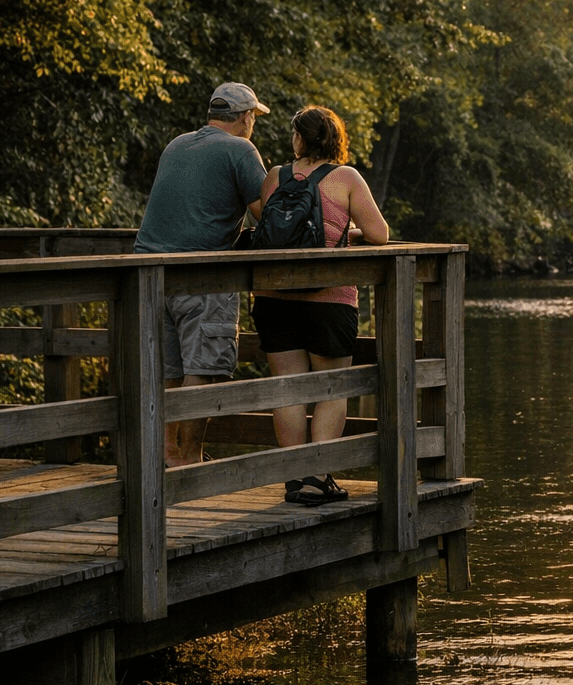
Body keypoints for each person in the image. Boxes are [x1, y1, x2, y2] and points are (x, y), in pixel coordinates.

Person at [251, 106, 390, 505]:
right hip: (328, 298)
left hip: (274, 297)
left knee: (289, 389)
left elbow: (268, 227)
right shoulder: (346, 177)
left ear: (299, 139)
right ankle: (317, 476)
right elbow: (380, 234)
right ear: (334, 138)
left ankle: (295, 479)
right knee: (331, 389)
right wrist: (349, 233)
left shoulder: (275, 176)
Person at [135, 82, 269, 467]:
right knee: (205, 371)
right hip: (202, 277)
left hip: (150, 274)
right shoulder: (240, 149)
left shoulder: (177, 144)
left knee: (168, 370)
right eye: (254, 119)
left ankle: (166, 453)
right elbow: (269, 214)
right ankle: (190, 459)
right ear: (246, 118)